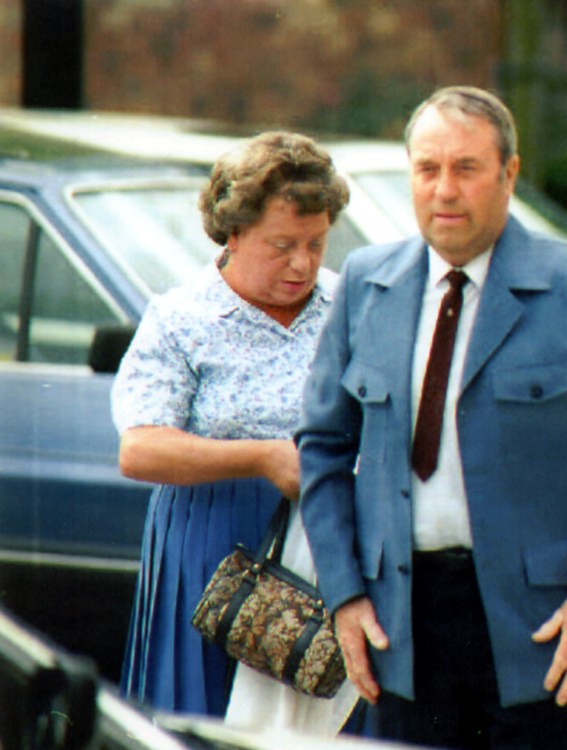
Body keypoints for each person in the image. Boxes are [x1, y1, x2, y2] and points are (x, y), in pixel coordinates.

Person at [294, 85, 567, 750]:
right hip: (401, 626)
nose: (444, 189)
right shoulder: (366, 282)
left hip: (545, 633)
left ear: (509, 174)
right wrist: (346, 596)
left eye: (466, 168)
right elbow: (322, 447)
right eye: (427, 169)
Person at [112, 130, 357, 730]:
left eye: (316, 244)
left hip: (330, 535)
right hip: (213, 541)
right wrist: (262, 458)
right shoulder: (181, 317)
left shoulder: (354, 306)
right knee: (208, 722)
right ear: (234, 233)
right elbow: (140, 448)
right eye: (282, 245)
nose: (302, 263)